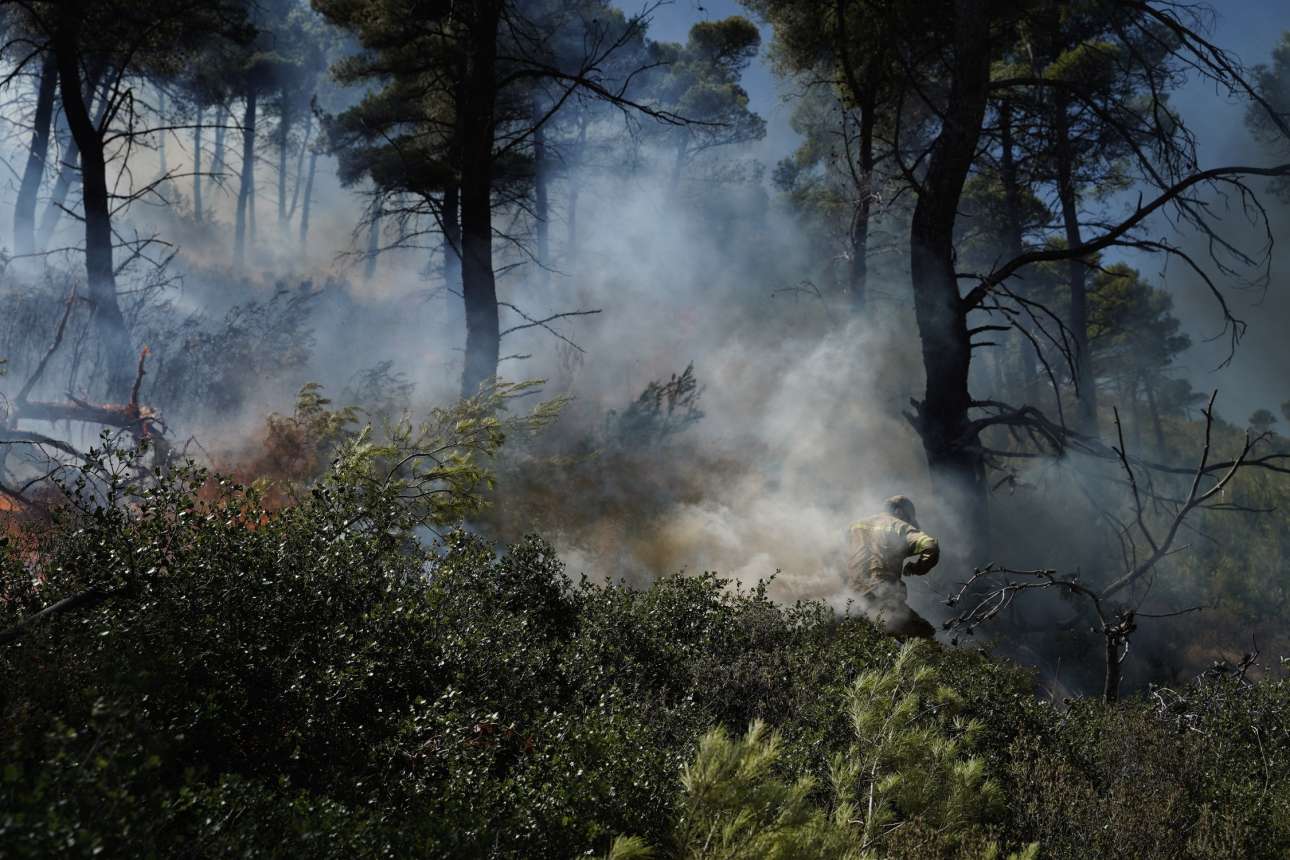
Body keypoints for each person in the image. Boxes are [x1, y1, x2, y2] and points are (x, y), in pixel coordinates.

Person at [847, 495, 940, 638]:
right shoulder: (899, 526)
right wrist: (917, 568)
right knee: (925, 637)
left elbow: (836, 554)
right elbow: (930, 546)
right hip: (883, 598)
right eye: (908, 518)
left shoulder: (855, 526)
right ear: (899, 512)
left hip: (850, 599)